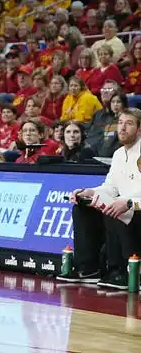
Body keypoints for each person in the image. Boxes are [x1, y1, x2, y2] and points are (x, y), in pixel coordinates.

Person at [58, 109, 141, 289]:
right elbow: (110, 187)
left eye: (129, 123)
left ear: (140, 129)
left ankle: (121, 271)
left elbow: (127, 200)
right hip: (124, 206)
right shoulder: (119, 154)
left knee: (116, 208)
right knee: (82, 207)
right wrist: (90, 192)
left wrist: (129, 203)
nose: (123, 128)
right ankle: (88, 268)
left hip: (136, 208)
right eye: (120, 123)